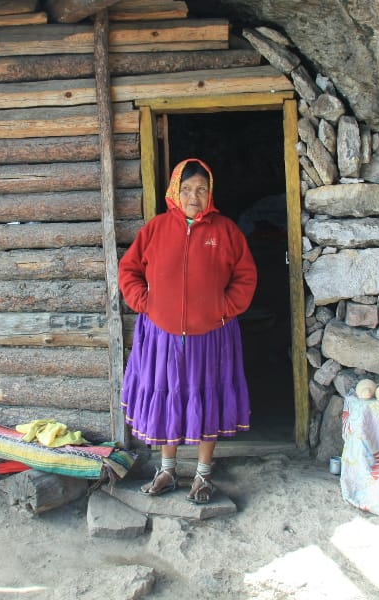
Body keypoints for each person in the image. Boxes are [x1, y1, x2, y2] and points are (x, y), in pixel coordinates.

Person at [118, 158, 258, 503]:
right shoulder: (156, 229)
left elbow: (246, 277)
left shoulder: (225, 231)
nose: (193, 196)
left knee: (205, 396)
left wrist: (222, 309)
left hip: (211, 335)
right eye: (186, 189)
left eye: (201, 189)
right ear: (174, 192)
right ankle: (167, 470)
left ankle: (202, 476)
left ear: (210, 193)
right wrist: (144, 302)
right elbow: (129, 270)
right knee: (168, 396)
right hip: (161, 335)